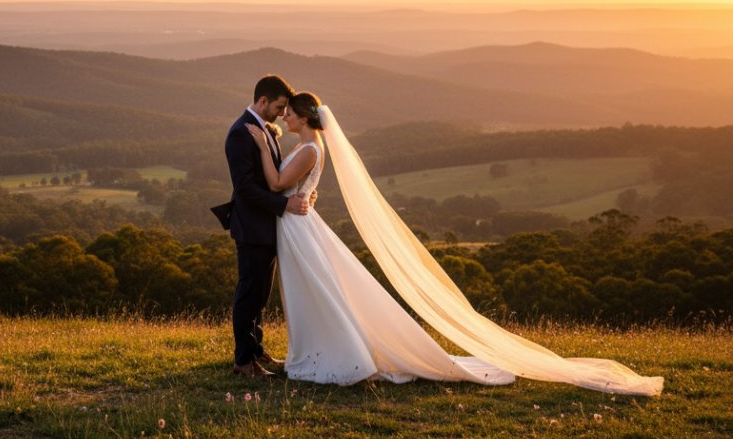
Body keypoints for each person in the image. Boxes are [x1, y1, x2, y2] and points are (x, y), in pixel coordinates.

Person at [246, 91, 663, 396]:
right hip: (296, 222)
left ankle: (330, 354)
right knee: (311, 291)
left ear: (302, 117)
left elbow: (278, 182)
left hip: (298, 225)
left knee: (315, 290)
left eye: (289, 114)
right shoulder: (307, 145)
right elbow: (290, 186)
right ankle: (313, 351)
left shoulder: (307, 149)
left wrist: (257, 144)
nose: (285, 118)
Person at [222, 75, 312, 378]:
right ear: (262, 101)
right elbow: (245, 188)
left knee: (261, 294)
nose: (281, 114)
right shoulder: (240, 134)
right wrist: (283, 205)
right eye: (278, 107)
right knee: (249, 293)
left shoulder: (264, 130)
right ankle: (243, 361)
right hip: (252, 227)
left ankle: (256, 350)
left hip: (268, 226)